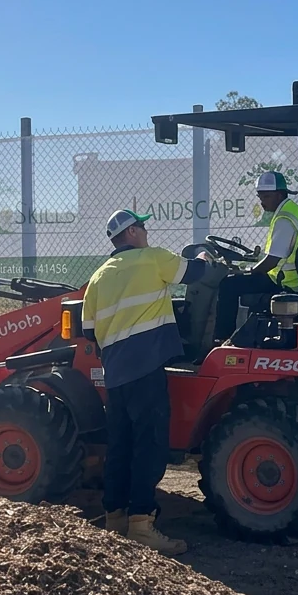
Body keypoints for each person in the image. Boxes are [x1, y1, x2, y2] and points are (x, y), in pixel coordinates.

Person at [82, 208, 208, 556]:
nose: (147, 231)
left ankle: (115, 518)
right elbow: (195, 274)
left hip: (116, 376)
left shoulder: (98, 277)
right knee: (149, 446)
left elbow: (88, 330)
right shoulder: (153, 259)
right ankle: (142, 524)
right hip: (147, 371)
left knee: (120, 446)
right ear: (133, 233)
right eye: (143, 227)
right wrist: (203, 254)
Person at [212, 171, 298, 344]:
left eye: (266, 196)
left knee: (228, 285)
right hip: (293, 278)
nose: (262, 202)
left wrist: (248, 271)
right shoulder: (294, 211)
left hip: (286, 282)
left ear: (279, 195)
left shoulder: (284, 219)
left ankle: (221, 340)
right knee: (239, 281)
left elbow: (272, 261)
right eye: (260, 196)